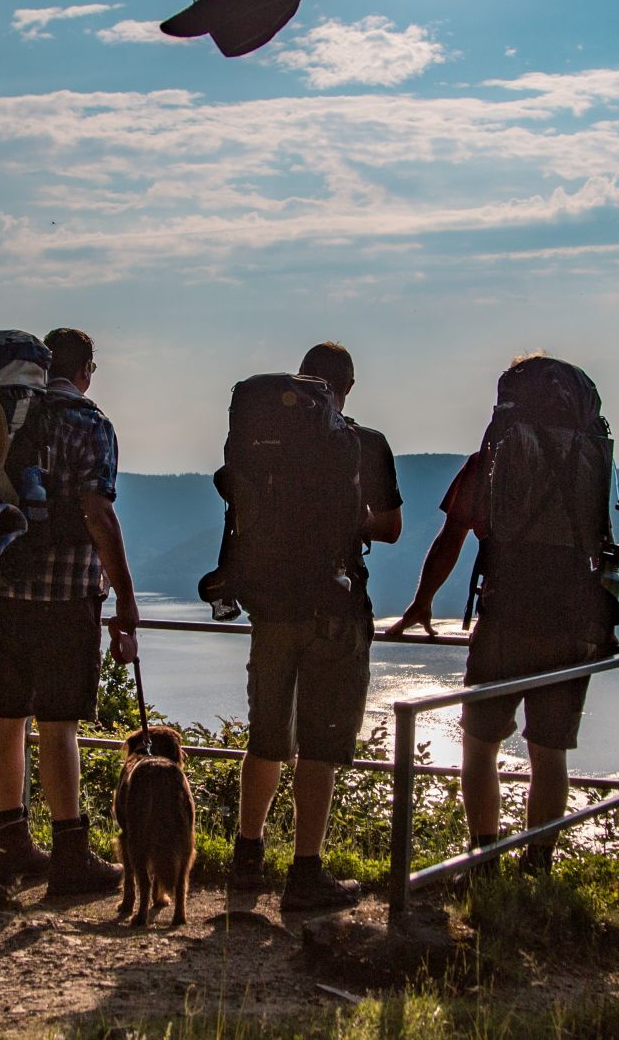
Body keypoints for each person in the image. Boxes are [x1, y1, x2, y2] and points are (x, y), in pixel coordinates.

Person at [387, 354, 619, 876]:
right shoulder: (590, 459)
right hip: (572, 616)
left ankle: (484, 858)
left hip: (507, 614)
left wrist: (422, 603)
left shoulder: (492, 460)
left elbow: (453, 536)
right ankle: (538, 863)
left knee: (480, 744)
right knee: (549, 752)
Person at [230, 341, 403, 910]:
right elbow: (392, 527)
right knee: (320, 747)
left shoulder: (264, 440)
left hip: (271, 604)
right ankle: (306, 874)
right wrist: (353, 518)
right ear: (347, 386)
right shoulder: (365, 444)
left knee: (267, 737)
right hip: (334, 607)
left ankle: (246, 861)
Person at [0, 327, 141, 895]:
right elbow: (98, 513)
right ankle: (71, 852)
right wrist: (124, 596)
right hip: (67, 594)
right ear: (86, 369)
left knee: (6, 717)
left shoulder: (8, 417)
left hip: (3, 588)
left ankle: (12, 847)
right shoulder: (89, 425)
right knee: (58, 723)